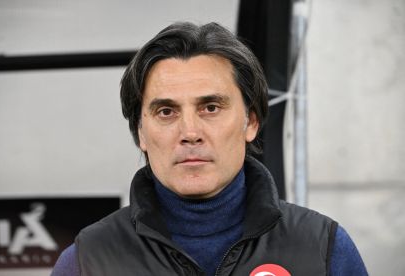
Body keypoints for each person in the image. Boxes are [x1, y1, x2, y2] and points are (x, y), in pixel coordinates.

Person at [51, 22, 367, 276]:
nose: (190, 133)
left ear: (251, 122)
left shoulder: (323, 249)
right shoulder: (86, 261)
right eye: (166, 112)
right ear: (140, 134)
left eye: (211, 107)